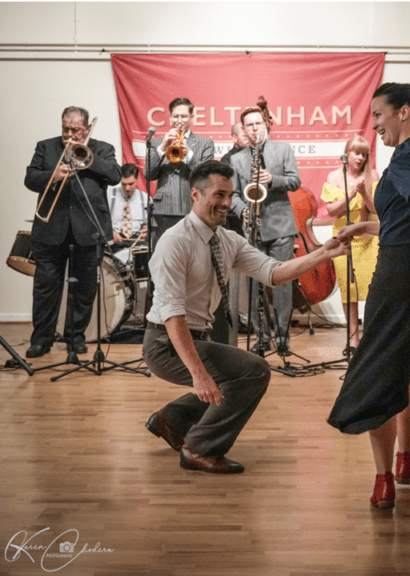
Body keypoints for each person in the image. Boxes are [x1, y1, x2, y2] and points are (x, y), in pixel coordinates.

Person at [143, 160, 349, 474]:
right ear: (195, 194)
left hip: (197, 337)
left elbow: (274, 273)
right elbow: (172, 315)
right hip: (165, 343)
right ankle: (199, 447)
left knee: (240, 372)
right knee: (252, 370)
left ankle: (174, 419)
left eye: (230, 195)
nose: (227, 203)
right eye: (219, 195)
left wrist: (324, 253)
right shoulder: (175, 242)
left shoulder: (227, 240)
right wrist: (199, 375)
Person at [326, 83, 410, 509]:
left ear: (403, 112)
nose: (376, 124)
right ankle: (404, 460)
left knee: (377, 373)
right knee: (400, 368)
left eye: (380, 114)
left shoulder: (408, 153)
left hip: (402, 279)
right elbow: (406, 218)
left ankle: (383, 478)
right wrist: (364, 227)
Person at [23, 106, 121, 358]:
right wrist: (53, 175)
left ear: (86, 129)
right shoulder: (46, 147)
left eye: (75, 130)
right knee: (46, 289)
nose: (68, 135)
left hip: (88, 231)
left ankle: (75, 337)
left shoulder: (103, 148)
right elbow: (30, 178)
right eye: (65, 129)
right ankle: (41, 340)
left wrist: (87, 158)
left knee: (84, 289)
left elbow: (114, 175)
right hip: (50, 230)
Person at [230, 98, 302, 354]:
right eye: (248, 125)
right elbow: (234, 195)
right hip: (252, 229)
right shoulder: (237, 159)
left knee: (282, 286)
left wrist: (273, 179)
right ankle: (261, 337)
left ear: (265, 124)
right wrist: (242, 212)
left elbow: (295, 181)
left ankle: (282, 339)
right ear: (243, 129)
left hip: (280, 227)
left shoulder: (282, 149)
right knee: (253, 287)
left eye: (257, 123)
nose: (254, 129)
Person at [322, 135, 380, 348]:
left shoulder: (373, 175)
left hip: (368, 238)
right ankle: (353, 338)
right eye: (357, 153)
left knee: (372, 287)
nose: (360, 158)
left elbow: (376, 209)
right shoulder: (334, 176)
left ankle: (372, 338)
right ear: (347, 153)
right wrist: (351, 194)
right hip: (344, 237)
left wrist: (365, 194)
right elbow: (330, 210)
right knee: (349, 289)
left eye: (364, 154)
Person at [146, 97, 215, 249]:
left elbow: (207, 176)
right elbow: (148, 174)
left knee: (192, 256)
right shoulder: (157, 142)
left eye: (184, 116)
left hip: (191, 207)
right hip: (163, 209)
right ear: (170, 118)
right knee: (164, 255)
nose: (179, 120)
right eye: (176, 116)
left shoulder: (205, 143)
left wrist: (188, 153)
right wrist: (163, 146)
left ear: (192, 117)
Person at [108, 163, 149, 249]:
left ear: (137, 179)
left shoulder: (146, 198)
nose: (127, 188)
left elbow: (152, 224)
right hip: (115, 241)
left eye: (131, 184)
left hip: (137, 242)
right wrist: (109, 231)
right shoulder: (109, 195)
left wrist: (147, 230)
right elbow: (100, 220)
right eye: (124, 184)